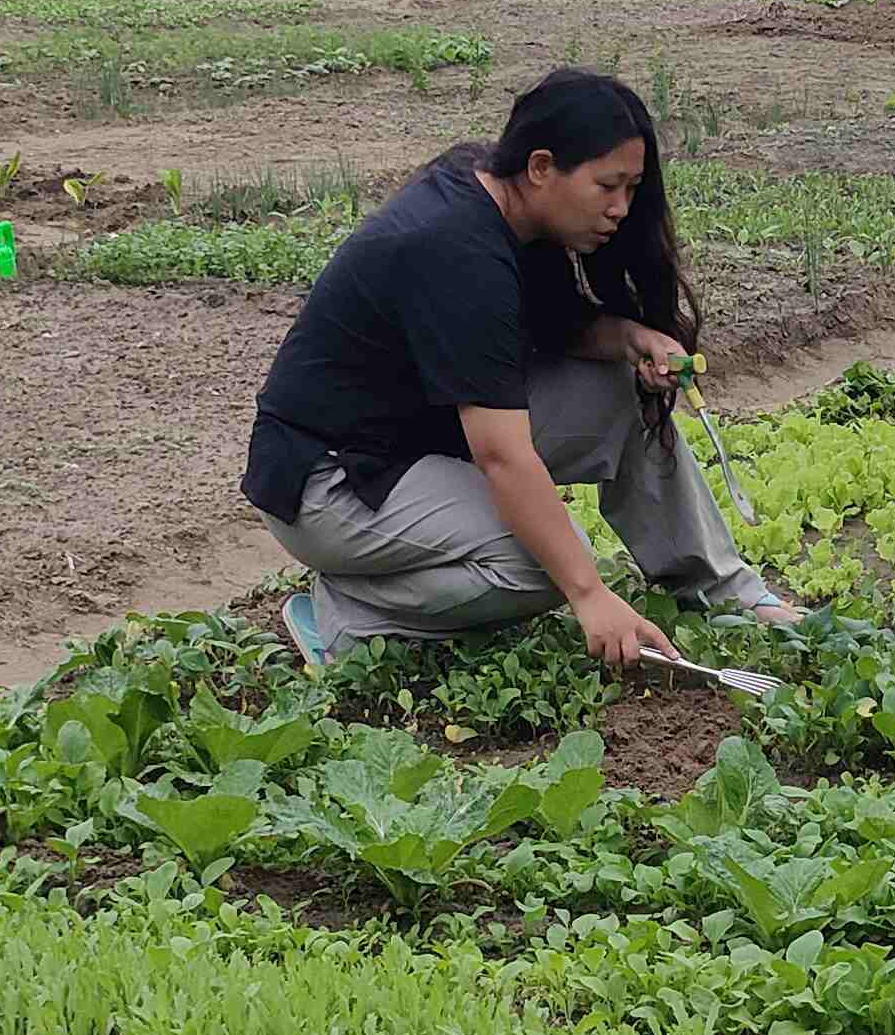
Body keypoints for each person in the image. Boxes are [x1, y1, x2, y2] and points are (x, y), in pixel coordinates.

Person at [245, 68, 797, 667]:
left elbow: (553, 327)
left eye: (632, 188)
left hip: (416, 441)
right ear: (540, 168)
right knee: (547, 566)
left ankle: (722, 591)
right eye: (607, 186)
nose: (621, 208)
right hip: (330, 484)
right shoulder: (455, 252)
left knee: (620, 393)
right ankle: (352, 616)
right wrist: (589, 594)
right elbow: (502, 457)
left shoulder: (506, 202)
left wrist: (632, 337)